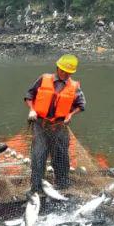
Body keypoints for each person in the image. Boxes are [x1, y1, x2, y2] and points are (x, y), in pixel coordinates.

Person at [24, 54, 86, 193]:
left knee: (61, 156)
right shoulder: (43, 79)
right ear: (57, 68)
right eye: (63, 70)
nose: (65, 74)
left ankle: (63, 186)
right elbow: (29, 96)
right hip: (40, 124)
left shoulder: (74, 86)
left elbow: (81, 105)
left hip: (60, 126)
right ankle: (36, 188)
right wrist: (32, 110)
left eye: (68, 72)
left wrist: (70, 114)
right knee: (38, 155)